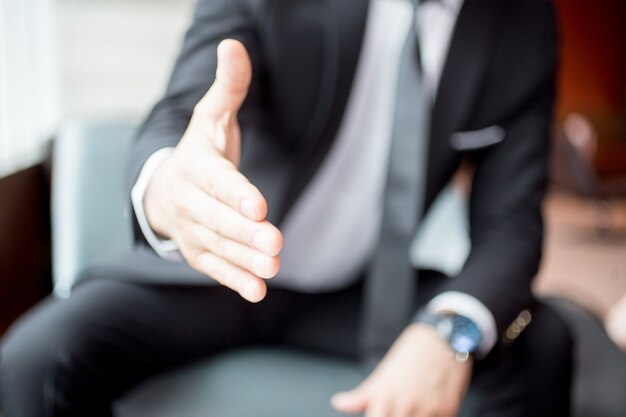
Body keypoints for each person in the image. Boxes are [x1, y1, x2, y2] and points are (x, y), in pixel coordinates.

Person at [0, 0, 573, 416]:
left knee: (541, 340)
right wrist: (173, 190)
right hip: (215, 271)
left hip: (365, 290)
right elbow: (178, 114)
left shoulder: (522, 23)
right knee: (32, 362)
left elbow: (511, 225)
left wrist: (449, 331)